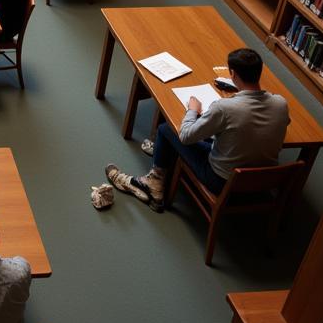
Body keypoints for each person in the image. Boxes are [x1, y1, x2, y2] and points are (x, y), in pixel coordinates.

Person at [106, 48, 290, 213]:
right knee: (220, 135)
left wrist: (193, 110)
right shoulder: (281, 104)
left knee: (167, 129)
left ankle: (153, 183)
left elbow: (186, 136)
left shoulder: (224, 108)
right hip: (262, 181)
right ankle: (164, 153)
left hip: (221, 180)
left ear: (232, 74)